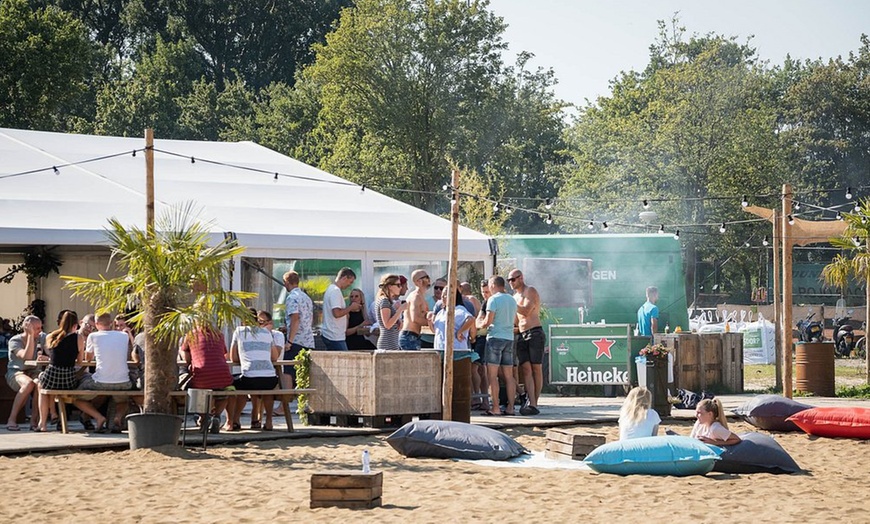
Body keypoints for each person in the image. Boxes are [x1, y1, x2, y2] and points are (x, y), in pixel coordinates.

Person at [78, 312, 134, 433]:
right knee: (122, 399)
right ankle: (117, 417)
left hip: (101, 380)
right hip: (123, 381)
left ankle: (98, 418)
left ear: (97, 324)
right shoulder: (123, 336)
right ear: (111, 323)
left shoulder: (93, 336)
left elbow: (87, 358)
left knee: (75, 397)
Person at [227, 310, 281, 431]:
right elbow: (274, 357)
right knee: (267, 390)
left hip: (249, 378)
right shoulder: (266, 333)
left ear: (243, 320)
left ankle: (234, 420)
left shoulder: (239, 331)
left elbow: (233, 358)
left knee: (236, 385)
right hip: (270, 378)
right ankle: (268, 422)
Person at [476, 276, 518, 416]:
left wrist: (478, 325)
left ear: (493, 285)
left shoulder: (493, 300)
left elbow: (488, 321)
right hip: (509, 338)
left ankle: (495, 408)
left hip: (495, 338)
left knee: (492, 376)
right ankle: (511, 407)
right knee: (509, 376)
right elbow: (515, 320)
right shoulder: (512, 299)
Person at [36, 311, 85, 431]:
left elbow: (52, 355)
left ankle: (42, 423)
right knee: (46, 385)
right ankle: (53, 414)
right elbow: (80, 361)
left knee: (41, 385)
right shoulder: (79, 338)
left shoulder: (51, 336)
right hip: (68, 379)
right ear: (75, 324)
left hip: (52, 374)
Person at [179, 327, 234, 433]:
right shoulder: (219, 334)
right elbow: (224, 353)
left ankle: (204, 417)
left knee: (194, 391)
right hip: (222, 373)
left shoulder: (191, 335)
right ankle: (217, 416)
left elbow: (186, 357)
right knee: (225, 390)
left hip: (202, 373)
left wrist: (186, 356)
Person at [508, 269, 545, 416]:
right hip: (522, 334)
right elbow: (516, 320)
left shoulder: (530, 291)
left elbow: (527, 311)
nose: (511, 283)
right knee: (526, 369)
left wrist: (511, 303)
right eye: (509, 280)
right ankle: (531, 402)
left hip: (535, 331)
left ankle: (534, 401)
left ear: (521, 278)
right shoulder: (514, 296)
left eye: (513, 279)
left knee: (536, 368)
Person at [5, 315, 47, 431]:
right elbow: (26, 356)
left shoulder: (42, 337)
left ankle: (34, 421)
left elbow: (51, 353)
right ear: (28, 328)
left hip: (34, 371)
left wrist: (46, 357)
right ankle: (11, 419)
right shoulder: (15, 341)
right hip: (16, 371)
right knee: (28, 384)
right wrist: (30, 336)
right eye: (37, 328)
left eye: (40, 328)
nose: (40, 331)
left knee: (40, 383)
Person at [283, 270, 315, 388]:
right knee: (304, 372)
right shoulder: (306, 297)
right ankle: (303, 401)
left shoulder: (292, 297)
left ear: (286, 282)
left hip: (296, 340)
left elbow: (295, 318)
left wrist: (289, 341)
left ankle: (285, 403)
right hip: (308, 340)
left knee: (288, 371)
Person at [320, 267, 360, 351]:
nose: (350, 284)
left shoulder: (331, 289)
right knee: (344, 362)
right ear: (344, 278)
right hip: (334, 336)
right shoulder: (335, 291)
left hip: (332, 334)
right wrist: (351, 308)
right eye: (350, 282)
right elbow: (337, 313)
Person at [472, 279, 492, 410]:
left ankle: (479, 398)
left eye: (487, 292)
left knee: (475, 367)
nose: (485, 294)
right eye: (483, 292)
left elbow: (481, 322)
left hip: (484, 337)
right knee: (482, 369)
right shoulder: (486, 302)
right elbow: (478, 320)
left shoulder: (491, 303)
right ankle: (483, 399)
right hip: (482, 337)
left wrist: (478, 323)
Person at [399, 269, 431, 350]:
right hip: (409, 336)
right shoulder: (415, 297)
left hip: (414, 336)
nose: (429, 280)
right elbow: (415, 318)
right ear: (419, 281)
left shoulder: (421, 296)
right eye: (426, 277)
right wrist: (433, 323)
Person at [375, 274, 408, 351]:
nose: (401, 287)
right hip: (387, 344)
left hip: (392, 342)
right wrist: (400, 310)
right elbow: (387, 324)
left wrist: (398, 320)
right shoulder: (384, 301)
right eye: (398, 285)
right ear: (390, 286)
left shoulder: (387, 301)